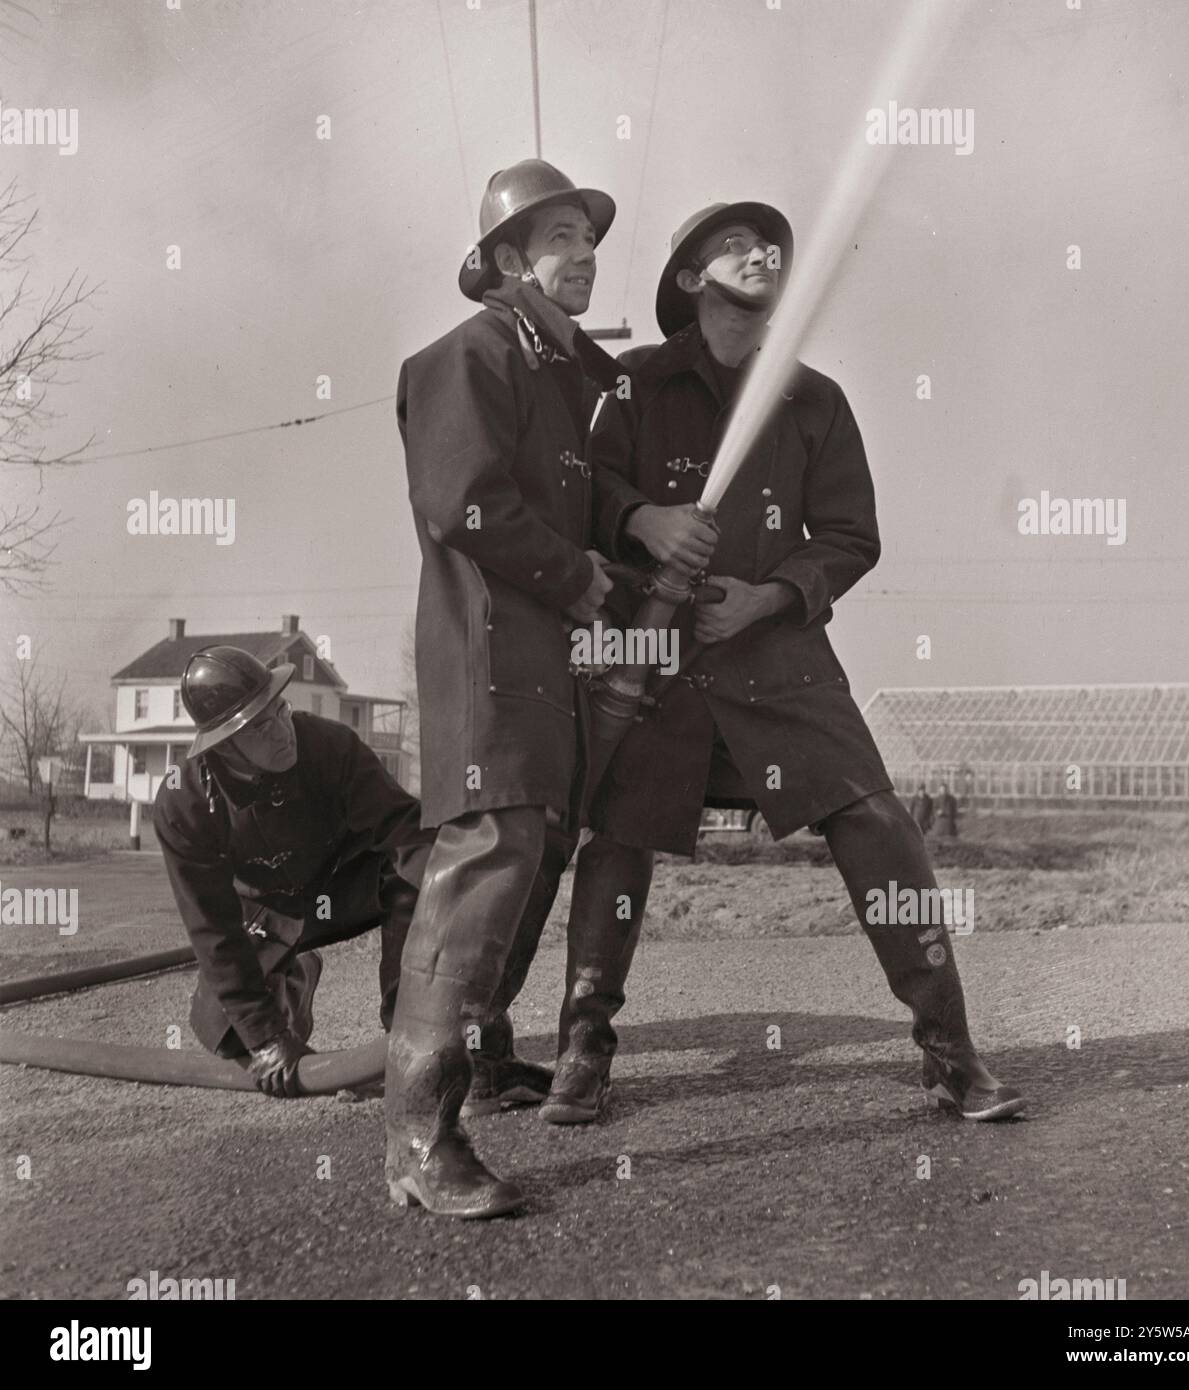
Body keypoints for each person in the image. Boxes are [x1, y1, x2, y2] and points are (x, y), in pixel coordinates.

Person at [560, 201, 1024, 1126]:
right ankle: (582, 1050)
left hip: (780, 666)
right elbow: (582, 488)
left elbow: (852, 535)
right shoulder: (632, 383)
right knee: (616, 842)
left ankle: (949, 1052)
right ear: (690, 281)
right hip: (652, 666)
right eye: (731, 244)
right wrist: (641, 520)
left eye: (768, 244)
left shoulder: (814, 398)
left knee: (878, 821)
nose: (758, 252)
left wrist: (768, 599)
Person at [385, 160, 716, 1218]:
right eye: (562, 238)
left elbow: (570, 507)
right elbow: (463, 504)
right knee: (486, 860)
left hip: (550, 668)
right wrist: (586, 578)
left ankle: (468, 1079)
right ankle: (419, 1147)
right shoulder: (467, 356)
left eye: (589, 239)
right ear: (510, 260)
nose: (584, 257)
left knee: (524, 857)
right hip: (491, 658)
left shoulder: (566, 379)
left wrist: (623, 553)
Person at [154, 646, 434, 1097]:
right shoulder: (182, 803)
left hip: (344, 891)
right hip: (266, 915)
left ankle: (407, 1036)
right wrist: (265, 1037)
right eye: (261, 726)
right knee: (224, 1032)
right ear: (224, 746)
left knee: (416, 877)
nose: (283, 730)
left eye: (280, 709)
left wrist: (452, 911)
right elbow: (212, 931)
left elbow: (408, 832)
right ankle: (294, 979)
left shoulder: (330, 744)